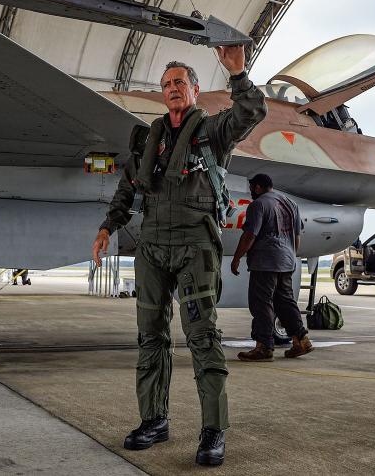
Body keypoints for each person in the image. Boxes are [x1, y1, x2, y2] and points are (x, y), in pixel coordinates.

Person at [91, 45, 267, 467]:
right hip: (151, 246)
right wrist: (107, 227)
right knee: (150, 335)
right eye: (167, 84)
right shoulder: (148, 139)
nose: (172, 89)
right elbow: (129, 187)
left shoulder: (212, 132)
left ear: (194, 89)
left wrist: (239, 74)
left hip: (196, 246)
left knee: (202, 336)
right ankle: (154, 420)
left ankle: (213, 431)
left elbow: (251, 113)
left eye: (180, 83)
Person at [230, 173, 312, 361]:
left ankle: (264, 347)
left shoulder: (258, 205)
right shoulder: (291, 204)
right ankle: (301, 339)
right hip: (287, 260)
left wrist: (236, 259)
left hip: (265, 262)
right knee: (285, 301)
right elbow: (297, 236)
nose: (251, 192)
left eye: (252, 188)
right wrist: (291, 256)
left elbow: (249, 235)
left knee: (261, 303)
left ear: (258, 187)